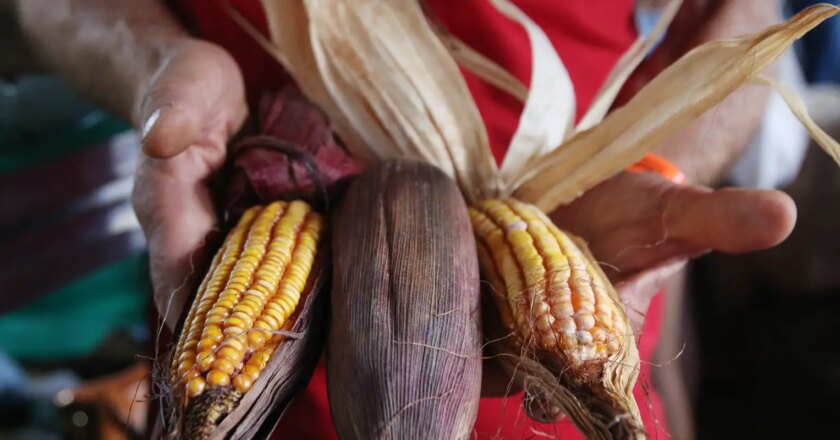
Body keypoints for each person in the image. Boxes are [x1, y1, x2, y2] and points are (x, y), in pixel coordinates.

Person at [18, 0, 797, 437]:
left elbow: (740, 17)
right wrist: (156, 68)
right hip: (235, 372)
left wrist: (658, 167)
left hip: (586, 300)